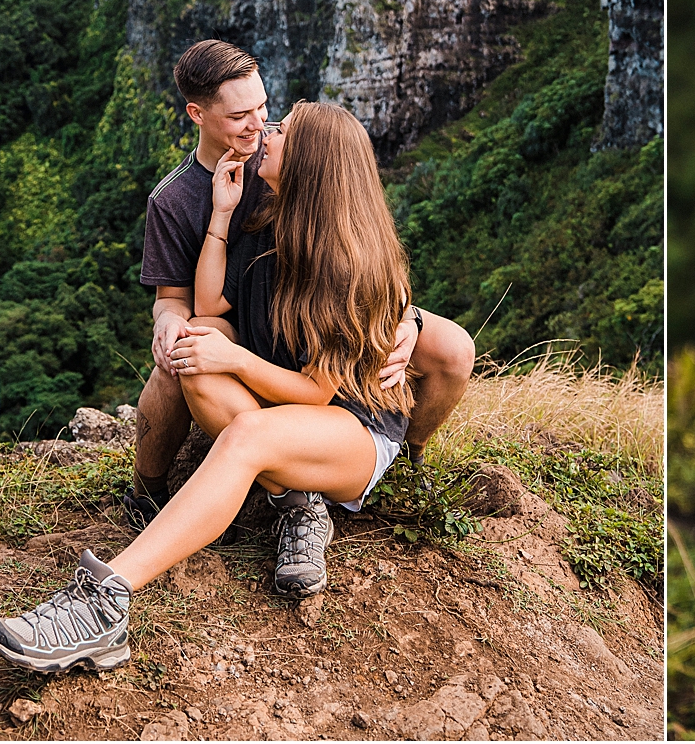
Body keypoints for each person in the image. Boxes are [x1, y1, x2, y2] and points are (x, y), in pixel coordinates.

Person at [0, 101, 428, 672]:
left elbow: (318, 394)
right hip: (297, 413)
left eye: (282, 131)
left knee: (247, 433)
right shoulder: (271, 219)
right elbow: (213, 303)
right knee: (198, 355)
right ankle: (295, 499)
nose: (267, 133)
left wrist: (238, 357)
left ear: (311, 164)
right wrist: (220, 216)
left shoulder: (346, 261)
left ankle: (105, 604)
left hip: (355, 427)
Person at [126, 42, 477, 580]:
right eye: (241, 117)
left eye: (267, 113)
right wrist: (214, 230)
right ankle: (200, 486)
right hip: (271, 338)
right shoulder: (214, 202)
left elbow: (365, 253)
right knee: (196, 343)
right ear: (199, 115)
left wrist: (403, 316)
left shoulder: (305, 200)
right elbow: (197, 303)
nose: (260, 127)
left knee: (451, 347)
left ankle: (397, 462)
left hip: (334, 383)